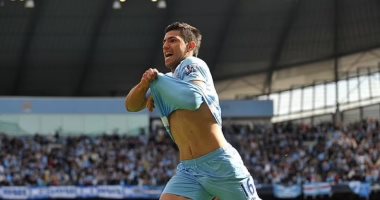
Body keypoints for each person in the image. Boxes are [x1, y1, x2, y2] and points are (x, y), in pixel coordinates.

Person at [125, 22, 261, 200]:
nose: (166, 45)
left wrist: (159, 83)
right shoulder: (165, 81)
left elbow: (193, 99)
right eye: (164, 42)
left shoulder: (192, 64)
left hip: (220, 165)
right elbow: (131, 105)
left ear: (190, 46)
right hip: (189, 170)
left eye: (173, 40)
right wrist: (145, 84)